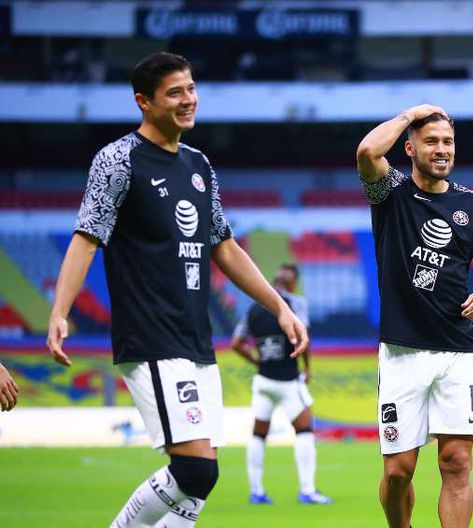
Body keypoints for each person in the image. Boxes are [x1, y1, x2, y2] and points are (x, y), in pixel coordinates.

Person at [46, 52, 308, 528]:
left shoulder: (199, 165)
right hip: (151, 336)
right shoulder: (118, 160)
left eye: (191, 88)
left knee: (201, 482)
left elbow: (223, 246)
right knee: (194, 469)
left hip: (195, 338)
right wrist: (60, 311)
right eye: (174, 92)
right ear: (144, 102)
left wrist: (280, 307)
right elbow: (86, 238)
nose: (188, 100)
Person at [356, 104, 473, 528]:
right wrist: (410, 114)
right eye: (431, 142)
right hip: (402, 350)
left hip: (458, 350)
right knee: (398, 470)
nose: (442, 149)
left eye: (448, 142)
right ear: (410, 148)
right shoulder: (391, 193)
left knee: (457, 462)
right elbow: (367, 151)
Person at [230, 263, 332, 505]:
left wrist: (256, 360)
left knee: (258, 434)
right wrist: (307, 367)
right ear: (293, 283)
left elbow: (236, 343)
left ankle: (256, 491)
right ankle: (307, 491)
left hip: (263, 380)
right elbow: (303, 335)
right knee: (304, 430)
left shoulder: (254, 308)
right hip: (288, 380)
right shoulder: (295, 303)